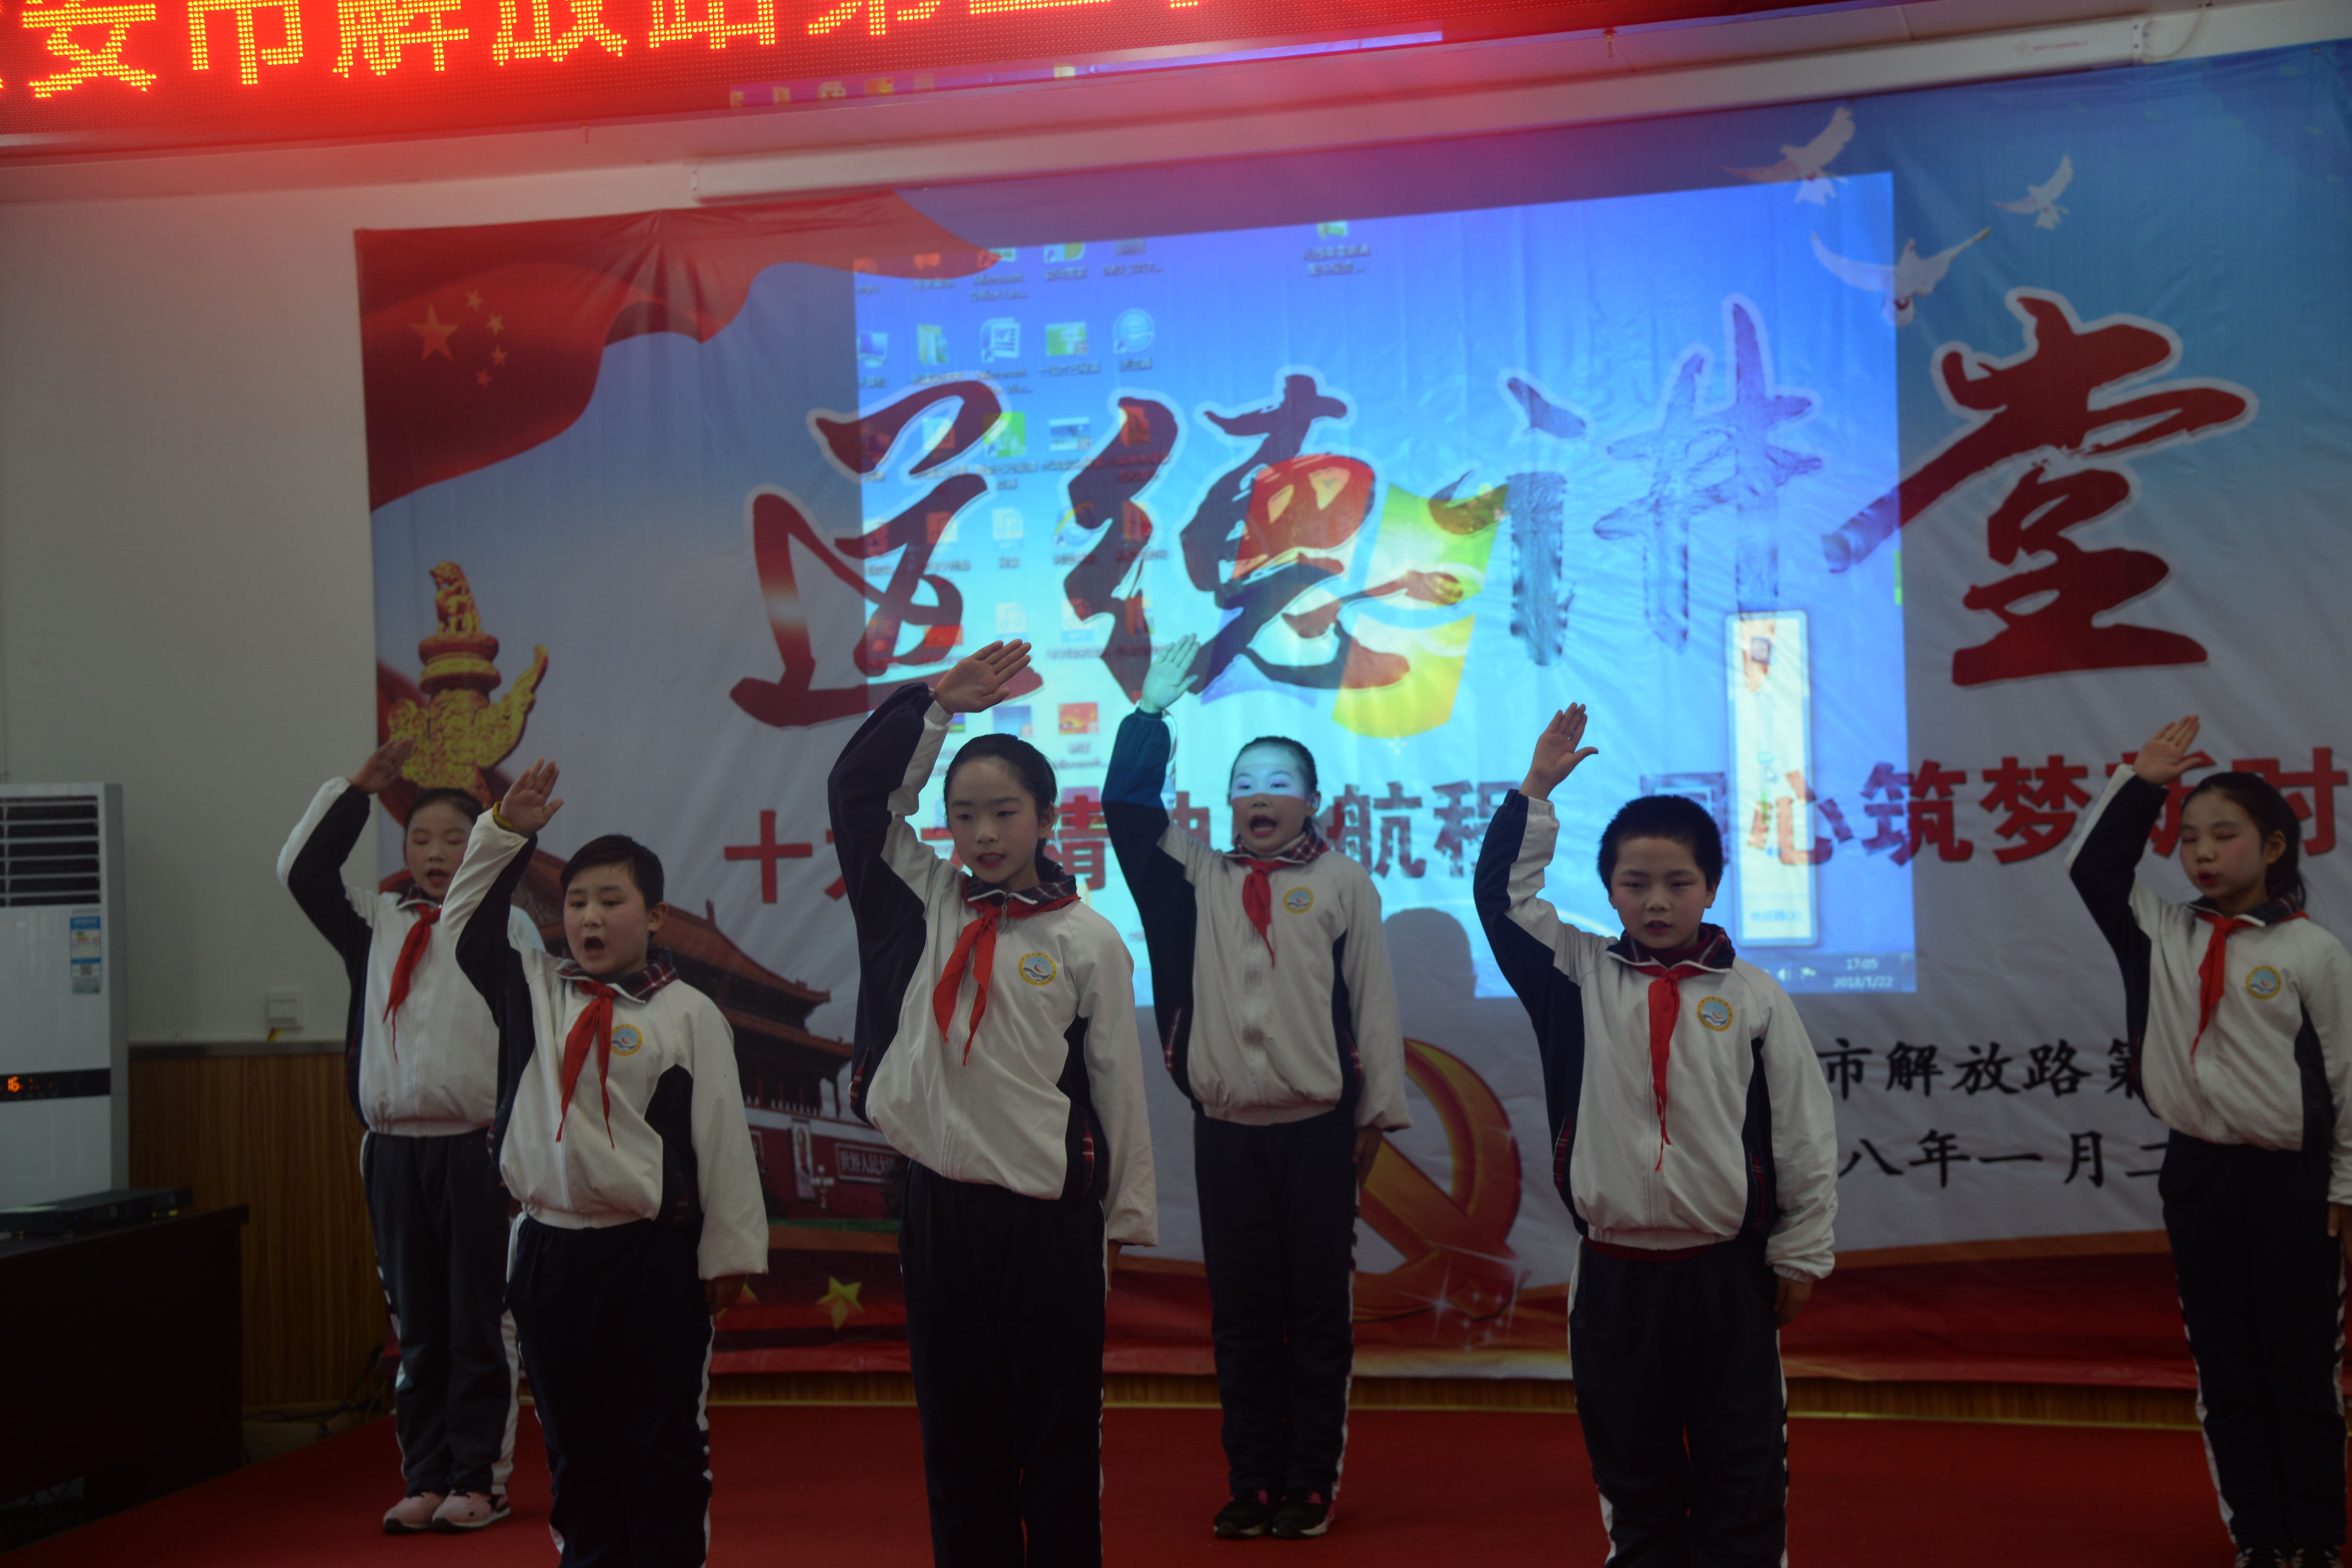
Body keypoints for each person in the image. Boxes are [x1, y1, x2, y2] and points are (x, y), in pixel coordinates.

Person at [1472, 704, 1836, 1567]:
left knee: (1743, 1479)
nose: (1658, 901)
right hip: (1615, 1277)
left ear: (1712, 886)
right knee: (1636, 1486)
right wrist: (1536, 792)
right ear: (1609, 891)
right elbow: (1502, 897)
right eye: (1636, 883)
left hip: (1726, 1275)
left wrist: (1800, 1254)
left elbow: (1803, 1133)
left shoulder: (1752, 996)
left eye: (1679, 882)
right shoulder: (1573, 974)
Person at [828, 640, 1156, 1568]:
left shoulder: (1088, 940)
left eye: (1004, 812)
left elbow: (1116, 1089)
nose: (983, 833)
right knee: (958, 1437)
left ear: (1046, 818)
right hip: (939, 1208)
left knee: (1055, 1442)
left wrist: (1121, 1219)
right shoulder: (919, 901)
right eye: (964, 814)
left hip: (1048, 1221)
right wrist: (933, 706)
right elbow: (856, 795)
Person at [1103, 632, 1408, 1541]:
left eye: (1278, 783)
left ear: (1312, 801)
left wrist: (1376, 1112)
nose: (1259, 796)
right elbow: (1126, 808)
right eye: (1244, 784)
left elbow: (1374, 1004)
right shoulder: (1193, 875)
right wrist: (1148, 715)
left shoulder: (1343, 884)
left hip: (1318, 1131)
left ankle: (1310, 1483)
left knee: (1315, 1314)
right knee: (1240, 1316)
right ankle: (1253, 1483)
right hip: (1227, 1132)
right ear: (1228, 804)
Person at [442, 761, 768, 1568]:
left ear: (653, 916)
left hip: (650, 1258)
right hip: (549, 1253)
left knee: (662, 1444)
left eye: (611, 902)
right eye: (577, 902)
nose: (590, 918)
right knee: (575, 1446)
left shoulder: (687, 1015)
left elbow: (723, 1137)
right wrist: (503, 834)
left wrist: (729, 1254)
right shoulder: (533, 993)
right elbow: (464, 920)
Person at [2068, 716, 2352, 1568]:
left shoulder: (2313, 952)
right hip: (2198, 1174)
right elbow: (2092, 868)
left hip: (2297, 1185)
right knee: (2227, 1364)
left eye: (2224, 835)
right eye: (2189, 837)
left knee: (2302, 1365)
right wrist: (2143, 784)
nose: (2202, 852)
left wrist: (2345, 1186)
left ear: (2274, 847)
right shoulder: (2159, 931)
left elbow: (2346, 1078)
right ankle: (2259, 1537)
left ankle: (2317, 1536)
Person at [277, 736, 536, 1535]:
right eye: (420, 839)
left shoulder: (508, 927)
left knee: (479, 1321)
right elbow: (301, 873)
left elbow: (535, 1040)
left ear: (479, 846)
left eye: (455, 838)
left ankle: (480, 1482)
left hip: (477, 1148)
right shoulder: (374, 921)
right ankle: (426, 1476)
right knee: (417, 1326)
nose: (435, 853)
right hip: (392, 1152)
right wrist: (355, 793)